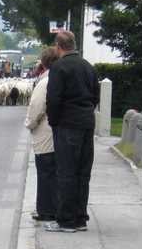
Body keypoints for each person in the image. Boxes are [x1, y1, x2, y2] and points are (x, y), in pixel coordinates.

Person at [46, 31, 100, 233]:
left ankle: (66, 220)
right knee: (82, 172)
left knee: (66, 172)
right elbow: (95, 95)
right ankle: (80, 217)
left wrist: (53, 121)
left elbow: (53, 99)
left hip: (67, 123)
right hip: (87, 122)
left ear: (58, 46)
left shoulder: (59, 67)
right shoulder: (88, 66)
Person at [25, 47, 59, 222]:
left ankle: (46, 210)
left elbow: (37, 106)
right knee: (54, 173)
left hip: (45, 132)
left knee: (45, 172)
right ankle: (53, 207)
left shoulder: (45, 82)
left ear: (44, 64)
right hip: (59, 133)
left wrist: (30, 124)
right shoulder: (59, 78)